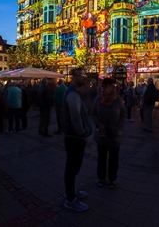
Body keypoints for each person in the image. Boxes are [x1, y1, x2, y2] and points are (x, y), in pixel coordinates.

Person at [62, 69, 93, 211]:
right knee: (72, 167)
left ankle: (72, 191)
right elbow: (75, 117)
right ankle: (70, 199)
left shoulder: (75, 94)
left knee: (74, 167)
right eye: (87, 87)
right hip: (74, 137)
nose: (88, 90)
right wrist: (82, 133)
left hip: (74, 136)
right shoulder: (73, 95)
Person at [90, 78, 125, 189]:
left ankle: (112, 179)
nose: (114, 87)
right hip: (102, 133)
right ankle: (101, 178)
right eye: (111, 85)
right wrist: (98, 125)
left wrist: (119, 128)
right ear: (105, 86)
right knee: (102, 157)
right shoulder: (98, 100)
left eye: (114, 85)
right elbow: (93, 114)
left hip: (114, 133)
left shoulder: (118, 100)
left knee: (114, 158)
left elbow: (123, 116)